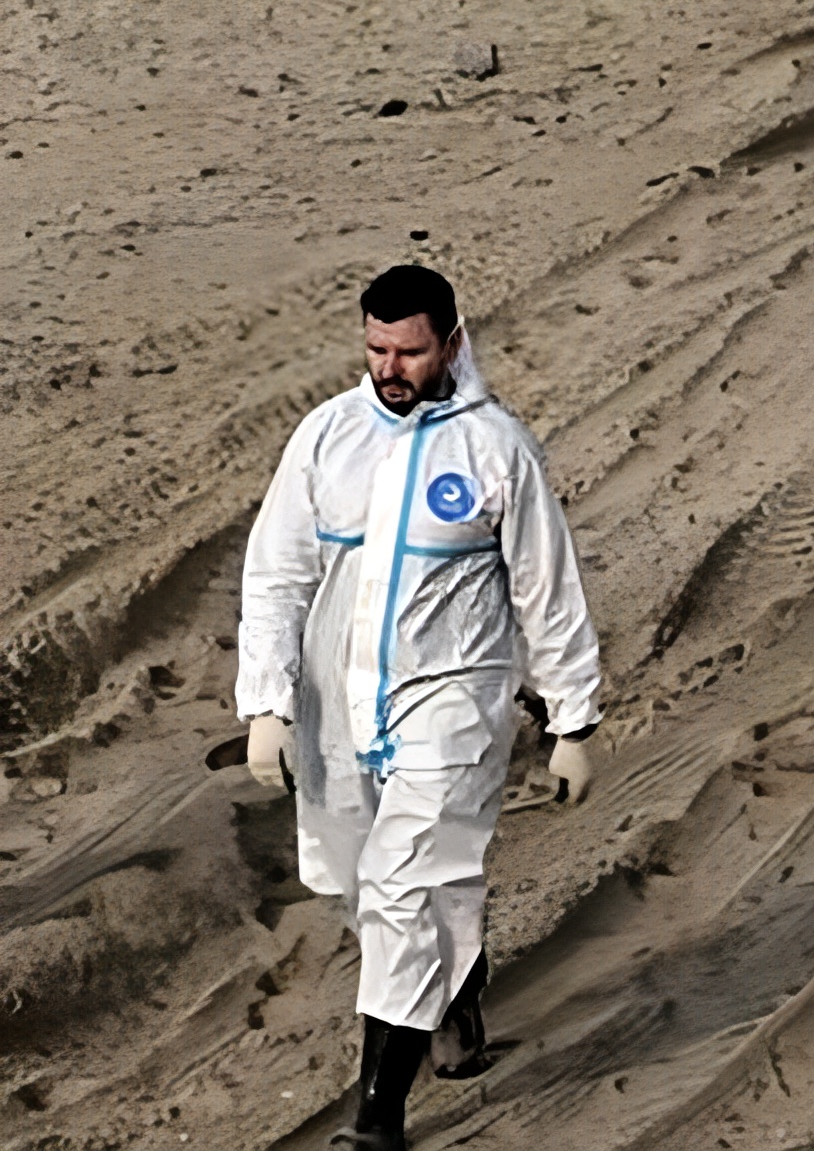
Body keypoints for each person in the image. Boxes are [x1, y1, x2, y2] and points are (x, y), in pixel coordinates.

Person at [238, 263, 600, 1151]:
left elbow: (548, 590)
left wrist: (572, 718)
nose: (390, 367)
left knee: (404, 889)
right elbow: (276, 576)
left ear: (451, 343)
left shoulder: (496, 449)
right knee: (370, 889)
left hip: (455, 702)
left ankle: (377, 1119)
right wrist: (267, 704)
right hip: (341, 702)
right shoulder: (326, 437)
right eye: (375, 348)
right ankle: (459, 989)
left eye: (409, 350)